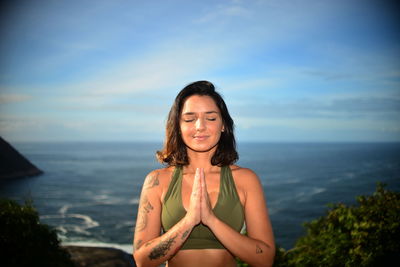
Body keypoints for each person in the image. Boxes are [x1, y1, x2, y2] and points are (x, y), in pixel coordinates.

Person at [133, 81, 275, 267]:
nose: (200, 126)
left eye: (211, 118)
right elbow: (142, 260)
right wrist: (189, 221)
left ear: (223, 125)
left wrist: (211, 220)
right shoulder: (157, 180)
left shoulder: (245, 179)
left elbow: (264, 259)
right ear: (178, 126)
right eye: (190, 119)